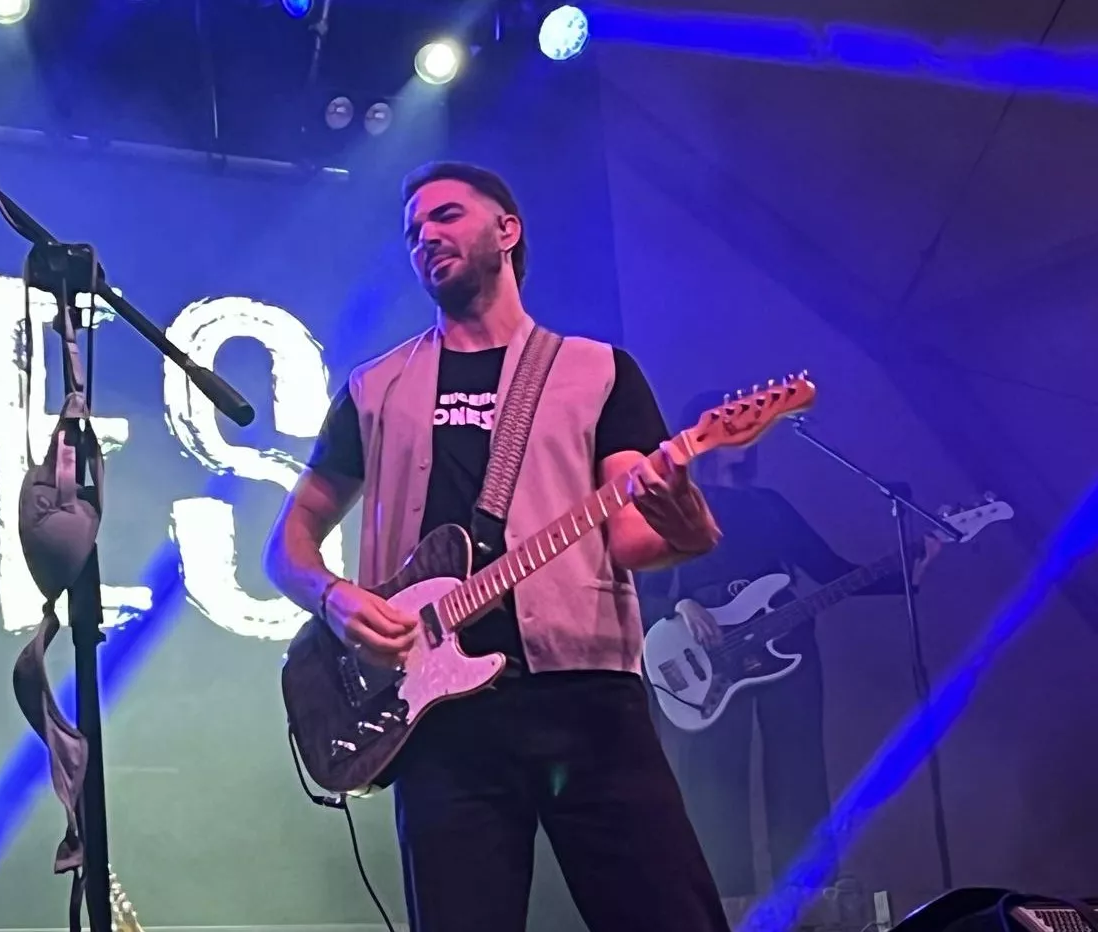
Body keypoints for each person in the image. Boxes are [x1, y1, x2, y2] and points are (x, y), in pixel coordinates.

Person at [264, 161, 732, 932]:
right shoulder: (374, 387)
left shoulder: (598, 371)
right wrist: (335, 597)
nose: (425, 238)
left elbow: (633, 538)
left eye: (445, 216)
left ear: (506, 231)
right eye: (413, 231)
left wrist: (679, 506)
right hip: (435, 719)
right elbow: (289, 545)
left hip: (586, 697)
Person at [635, 392, 940, 906]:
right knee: (715, 772)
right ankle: (722, 895)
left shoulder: (769, 505)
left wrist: (913, 564)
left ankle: (806, 893)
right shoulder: (673, 503)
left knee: (799, 766)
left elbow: (829, 572)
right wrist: (678, 605)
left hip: (788, 645)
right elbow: (632, 578)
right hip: (703, 652)